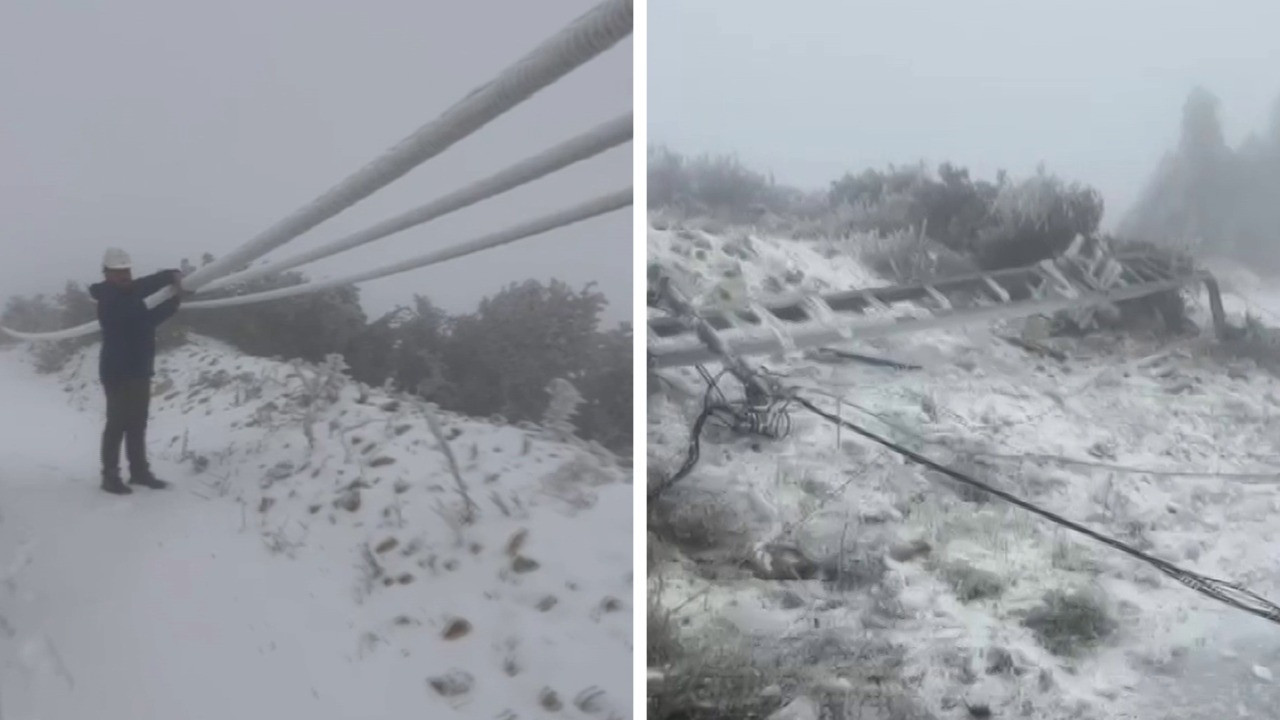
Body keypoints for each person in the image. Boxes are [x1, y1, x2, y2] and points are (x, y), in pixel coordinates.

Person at [88, 247, 185, 495]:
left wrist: (170, 275)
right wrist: (175, 299)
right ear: (107, 274)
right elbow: (144, 319)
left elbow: (145, 284)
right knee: (117, 424)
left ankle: (139, 472)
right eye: (118, 271)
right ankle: (110, 476)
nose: (124, 275)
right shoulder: (109, 299)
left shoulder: (129, 288)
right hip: (117, 372)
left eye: (126, 270)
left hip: (140, 369)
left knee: (137, 423)